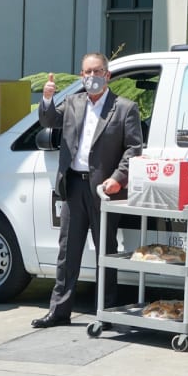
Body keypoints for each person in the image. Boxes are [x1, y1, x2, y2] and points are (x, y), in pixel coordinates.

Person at [31, 53, 143, 328]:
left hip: (104, 190)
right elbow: (48, 121)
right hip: (73, 185)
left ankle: (106, 313)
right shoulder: (73, 102)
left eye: (96, 71)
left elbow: (134, 148)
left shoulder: (125, 108)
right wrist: (46, 98)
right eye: (86, 72)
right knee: (68, 251)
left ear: (107, 75)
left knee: (105, 250)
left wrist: (119, 177)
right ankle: (59, 311)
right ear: (81, 76)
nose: (91, 77)